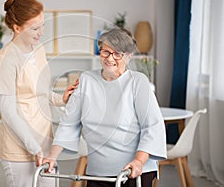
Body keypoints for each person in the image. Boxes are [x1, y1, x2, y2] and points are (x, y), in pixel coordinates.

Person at [42, 28, 167, 187]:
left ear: (128, 57)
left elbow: (152, 127)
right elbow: (69, 123)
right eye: (105, 52)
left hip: (134, 170)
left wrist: (138, 161)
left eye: (118, 54)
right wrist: (52, 157)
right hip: (98, 172)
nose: (110, 58)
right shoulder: (86, 80)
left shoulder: (138, 82)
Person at [0, 0, 78, 187]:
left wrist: (60, 98)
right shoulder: (6, 59)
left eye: (42, 25)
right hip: (19, 148)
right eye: (35, 28)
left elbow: (40, 91)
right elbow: (8, 112)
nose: (41, 33)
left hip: (44, 142)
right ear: (17, 28)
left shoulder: (38, 49)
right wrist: (33, 147)